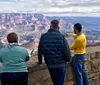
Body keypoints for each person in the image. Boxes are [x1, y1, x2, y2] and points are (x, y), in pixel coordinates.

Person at [38, 20, 71, 85]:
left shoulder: (43, 37)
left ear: (50, 27)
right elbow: (67, 51)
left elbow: (40, 51)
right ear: (58, 27)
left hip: (50, 64)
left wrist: (40, 61)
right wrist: (68, 59)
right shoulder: (61, 37)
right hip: (61, 64)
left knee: (55, 82)